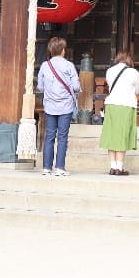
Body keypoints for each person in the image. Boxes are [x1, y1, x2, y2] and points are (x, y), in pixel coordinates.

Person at [37, 36, 80, 176]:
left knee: (49, 136)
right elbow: (76, 87)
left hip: (50, 106)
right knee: (62, 137)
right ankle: (60, 167)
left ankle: (46, 167)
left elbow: (40, 87)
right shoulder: (69, 66)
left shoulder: (45, 66)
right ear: (62, 50)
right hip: (65, 106)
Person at [100, 50, 139, 176]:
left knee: (112, 135)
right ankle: (120, 167)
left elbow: (110, 86)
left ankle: (112, 167)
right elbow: (138, 90)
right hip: (126, 105)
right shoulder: (133, 72)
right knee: (122, 134)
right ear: (129, 59)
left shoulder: (110, 71)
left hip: (111, 104)